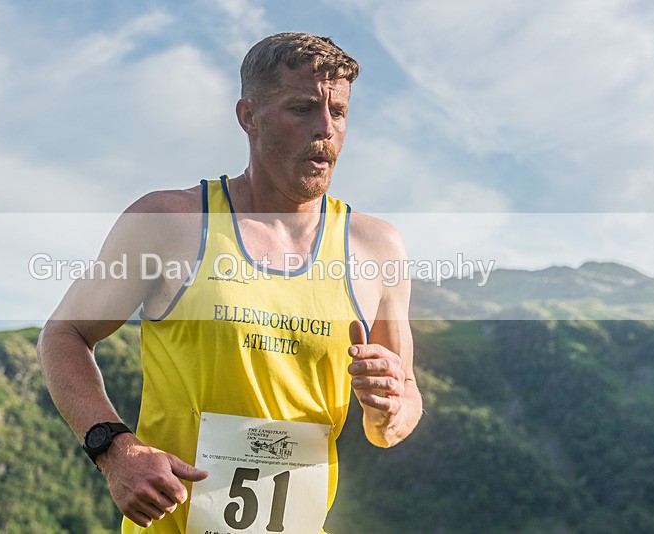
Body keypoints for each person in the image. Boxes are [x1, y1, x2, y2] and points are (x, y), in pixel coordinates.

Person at [37, 32, 422, 533]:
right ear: (248, 116)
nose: (325, 128)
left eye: (340, 112)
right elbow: (63, 335)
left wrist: (391, 408)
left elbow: (400, 405)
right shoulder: (170, 221)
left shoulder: (378, 246)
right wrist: (114, 448)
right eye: (303, 109)